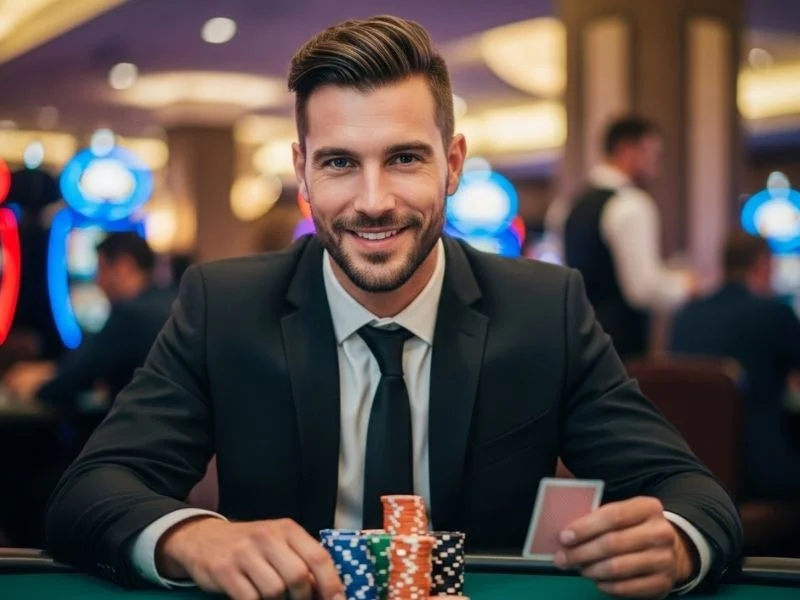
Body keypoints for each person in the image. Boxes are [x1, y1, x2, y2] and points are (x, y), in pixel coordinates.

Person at [46, 16, 742, 600]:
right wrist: (193, 536)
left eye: (405, 158)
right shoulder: (223, 305)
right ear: (303, 173)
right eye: (340, 162)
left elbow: (691, 493)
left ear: (453, 163)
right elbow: (90, 491)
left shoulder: (545, 309)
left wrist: (676, 544)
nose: (373, 200)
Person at [669, 231, 800, 500]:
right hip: (758, 471)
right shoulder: (774, 313)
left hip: (688, 468)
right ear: (764, 264)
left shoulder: (686, 315)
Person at [559, 117, 697, 360]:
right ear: (626, 149)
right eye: (652, 153)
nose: (657, 164)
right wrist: (687, 286)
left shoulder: (569, 205)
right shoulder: (631, 204)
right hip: (619, 351)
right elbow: (642, 289)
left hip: (576, 345)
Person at [4, 232, 176, 406]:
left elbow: (74, 381)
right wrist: (50, 371)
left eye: (101, 269)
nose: (97, 281)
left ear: (124, 267)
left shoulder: (131, 316)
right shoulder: (171, 303)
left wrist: (34, 390)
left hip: (141, 429)